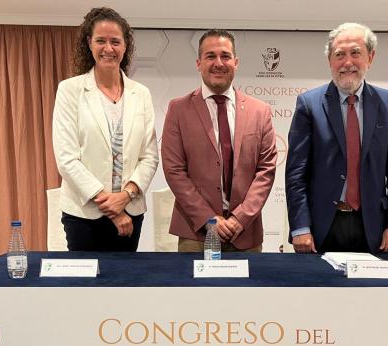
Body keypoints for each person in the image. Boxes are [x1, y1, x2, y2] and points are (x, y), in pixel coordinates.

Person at [286, 22, 388, 254]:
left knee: (370, 291)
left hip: (373, 226)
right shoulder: (309, 104)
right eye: (339, 55)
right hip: (320, 227)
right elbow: (296, 174)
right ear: (330, 61)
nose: (347, 62)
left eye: (356, 53)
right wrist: (300, 227)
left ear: (370, 57)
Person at [52, 7, 158, 251]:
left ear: (125, 46)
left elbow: (150, 156)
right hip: (83, 215)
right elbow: (67, 159)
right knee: (85, 287)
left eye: (115, 41)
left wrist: (126, 196)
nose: (108, 48)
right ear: (89, 43)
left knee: (125, 284)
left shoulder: (141, 94)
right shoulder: (70, 91)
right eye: (101, 40)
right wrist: (111, 208)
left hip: (131, 212)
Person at [161, 29, 277, 252]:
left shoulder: (260, 111)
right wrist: (208, 219)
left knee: (246, 288)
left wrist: (239, 218)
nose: (218, 63)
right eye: (210, 56)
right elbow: (174, 170)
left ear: (236, 62)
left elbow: (266, 171)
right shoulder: (178, 109)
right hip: (196, 232)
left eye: (225, 56)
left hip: (245, 232)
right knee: (196, 288)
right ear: (198, 63)